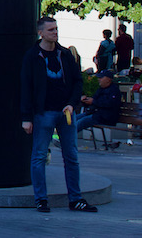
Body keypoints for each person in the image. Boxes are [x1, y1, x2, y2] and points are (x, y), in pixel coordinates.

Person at [20, 16, 97, 213]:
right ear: (41, 33)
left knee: (71, 156)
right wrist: (27, 117)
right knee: (39, 155)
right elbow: (26, 87)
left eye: (56, 29)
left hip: (66, 112)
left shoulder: (64, 54)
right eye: (51, 29)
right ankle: (41, 199)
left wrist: (72, 104)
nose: (55, 32)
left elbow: (77, 81)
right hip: (43, 112)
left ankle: (75, 199)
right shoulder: (32, 56)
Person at [76, 70, 122, 141]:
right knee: (74, 119)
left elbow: (109, 104)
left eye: (101, 78)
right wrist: (86, 100)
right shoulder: (101, 89)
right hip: (95, 114)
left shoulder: (114, 91)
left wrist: (93, 101)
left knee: (81, 122)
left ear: (108, 80)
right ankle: (63, 138)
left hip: (105, 117)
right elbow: (95, 100)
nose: (99, 79)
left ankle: (66, 140)